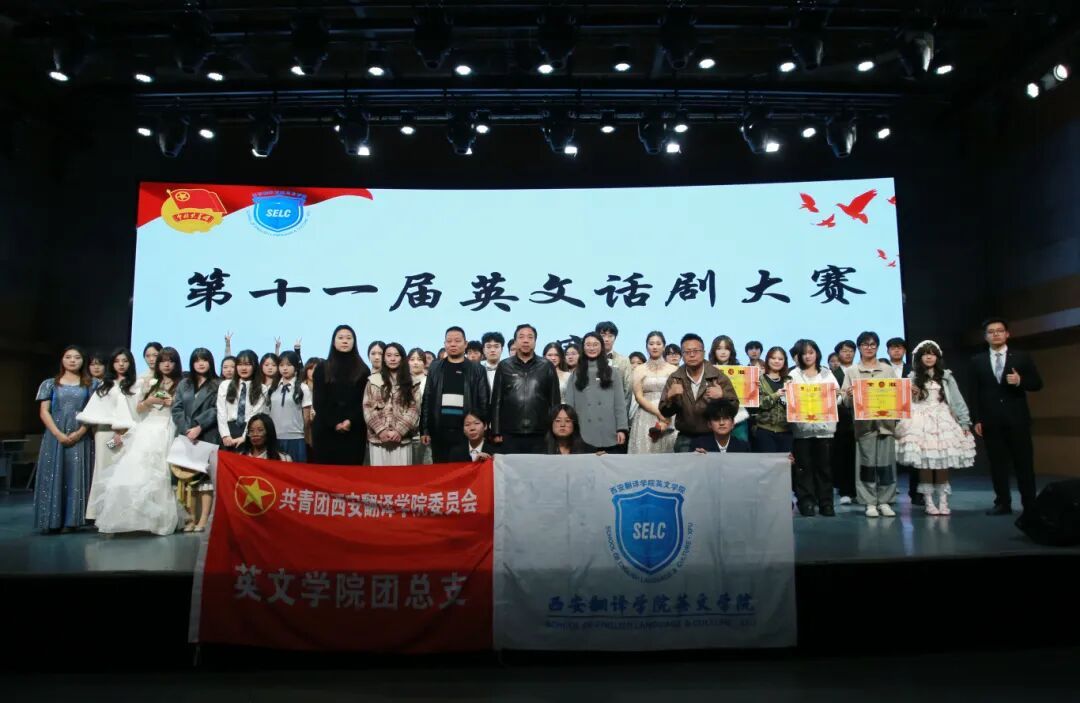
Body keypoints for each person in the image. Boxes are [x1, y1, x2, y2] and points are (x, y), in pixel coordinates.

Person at [90, 347, 183, 536]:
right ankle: (127, 519)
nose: (166, 364)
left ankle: (158, 520)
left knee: (160, 474)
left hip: (167, 427)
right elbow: (139, 409)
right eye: (163, 360)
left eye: (170, 361)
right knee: (132, 470)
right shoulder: (147, 382)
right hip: (144, 429)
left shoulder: (182, 383)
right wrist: (149, 401)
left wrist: (171, 402)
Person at [970, 317, 1043, 516]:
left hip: (1017, 419)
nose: (996, 334)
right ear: (986, 337)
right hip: (991, 421)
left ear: (1007, 334)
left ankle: (1030, 504)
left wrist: (1020, 381)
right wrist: (977, 419)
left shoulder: (1021, 357)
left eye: (999, 330)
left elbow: (1037, 383)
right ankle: (1003, 503)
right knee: (997, 465)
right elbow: (974, 392)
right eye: (991, 332)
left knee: (1024, 464)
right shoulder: (977, 361)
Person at [895, 341, 976, 515]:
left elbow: (957, 399)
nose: (929, 357)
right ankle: (929, 502)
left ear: (937, 357)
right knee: (925, 462)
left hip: (942, 418)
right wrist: (912, 394)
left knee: (942, 462)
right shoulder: (912, 377)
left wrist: (964, 422)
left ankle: (943, 501)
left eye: (932, 354)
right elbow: (904, 403)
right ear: (920, 357)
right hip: (920, 419)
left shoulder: (946, 376)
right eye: (925, 354)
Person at [34, 346, 97, 532]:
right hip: (55, 436)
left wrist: (80, 432)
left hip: (80, 435)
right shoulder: (50, 384)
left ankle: (72, 522)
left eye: (77, 357)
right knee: (54, 473)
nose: (72, 360)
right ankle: (51, 521)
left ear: (83, 361)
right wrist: (58, 434)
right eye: (68, 357)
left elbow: (94, 412)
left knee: (75, 475)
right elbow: (44, 411)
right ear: (62, 360)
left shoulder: (91, 384)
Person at [841, 331, 899, 517]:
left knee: (886, 465)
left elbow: (897, 396)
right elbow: (844, 401)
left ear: (877, 347)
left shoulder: (887, 370)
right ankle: (869, 502)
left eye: (873, 344)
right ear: (859, 347)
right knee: (866, 465)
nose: (869, 348)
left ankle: (885, 501)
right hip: (864, 426)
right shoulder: (852, 371)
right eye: (865, 345)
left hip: (886, 425)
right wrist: (849, 395)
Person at [79, 348, 140, 522]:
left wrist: (124, 432)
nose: (121, 364)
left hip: (129, 435)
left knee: (125, 471)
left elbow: (138, 411)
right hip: (106, 435)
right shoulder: (105, 385)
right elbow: (95, 411)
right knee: (103, 470)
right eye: (117, 361)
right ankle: (99, 514)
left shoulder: (137, 384)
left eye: (125, 361)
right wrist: (113, 431)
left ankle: (123, 515)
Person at [658, 334, 738, 453]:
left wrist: (723, 396)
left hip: (713, 436)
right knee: (684, 465)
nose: (692, 355)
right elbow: (665, 412)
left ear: (703, 353)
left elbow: (734, 408)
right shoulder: (675, 378)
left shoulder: (717, 376)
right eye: (687, 352)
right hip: (685, 436)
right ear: (682, 355)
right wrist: (670, 397)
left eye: (696, 351)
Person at [420, 327, 489, 463]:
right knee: (441, 471)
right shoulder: (435, 367)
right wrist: (425, 430)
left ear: (465, 344)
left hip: (466, 431)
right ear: (444, 344)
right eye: (449, 341)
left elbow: (483, 401)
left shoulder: (477, 369)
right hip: (439, 430)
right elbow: (427, 399)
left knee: (465, 470)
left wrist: (483, 430)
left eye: (457, 341)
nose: (453, 344)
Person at [491, 323, 562, 454]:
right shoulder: (504, 366)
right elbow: (496, 400)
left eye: (530, 337)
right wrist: (496, 430)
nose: (525, 340)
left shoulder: (547, 366)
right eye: (521, 337)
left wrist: (554, 430)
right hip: (510, 432)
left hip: (540, 432)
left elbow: (554, 401)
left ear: (535, 341)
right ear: (515, 341)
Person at [789, 339, 840, 517]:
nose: (808, 356)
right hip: (802, 430)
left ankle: (826, 503)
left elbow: (837, 398)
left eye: (811, 352)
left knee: (824, 468)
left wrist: (836, 396)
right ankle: (806, 502)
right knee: (804, 468)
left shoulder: (826, 373)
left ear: (817, 353)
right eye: (804, 353)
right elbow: (788, 400)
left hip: (824, 430)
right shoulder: (793, 374)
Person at [171, 347, 221, 531]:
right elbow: (176, 408)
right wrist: (186, 429)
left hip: (207, 434)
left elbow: (217, 409)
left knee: (204, 481)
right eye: (197, 360)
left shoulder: (218, 384)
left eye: (204, 360)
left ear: (210, 362)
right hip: (185, 436)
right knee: (185, 479)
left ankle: (203, 520)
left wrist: (199, 426)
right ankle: (190, 518)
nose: (201, 364)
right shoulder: (184, 383)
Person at [311, 325, 371, 465]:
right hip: (326, 430)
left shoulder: (363, 370)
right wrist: (335, 422)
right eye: (341, 338)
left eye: (349, 338)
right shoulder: (322, 368)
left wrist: (350, 421)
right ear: (333, 342)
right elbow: (319, 401)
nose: (345, 341)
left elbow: (363, 401)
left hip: (354, 430)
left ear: (354, 342)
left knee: (351, 474)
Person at [563, 332, 629, 452]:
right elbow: (570, 406)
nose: (591, 348)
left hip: (609, 430)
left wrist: (621, 429)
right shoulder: (575, 374)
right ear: (583, 347)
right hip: (583, 432)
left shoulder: (613, 373)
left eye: (595, 344)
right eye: (588, 345)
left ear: (601, 347)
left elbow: (619, 404)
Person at [364, 342, 421, 466]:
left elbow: (414, 409)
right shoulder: (373, 381)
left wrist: (399, 431)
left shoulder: (413, 382)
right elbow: (367, 407)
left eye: (396, 355)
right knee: (379, 476)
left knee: (402, 476)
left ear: (402, 358)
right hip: (378, 439)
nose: (392, 358)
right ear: (384, 358)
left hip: (402, 439)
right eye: (389, 355)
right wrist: (381, 430)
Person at [629, 331, 678, 454]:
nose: (654, 347)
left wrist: (665, 414)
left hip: (669, 414)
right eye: (651, 344)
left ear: (664, 346)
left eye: (658, 344)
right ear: (646, 346)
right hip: (646, 414)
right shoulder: (639, 369)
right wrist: (658, 413)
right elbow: (638, 396)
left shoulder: (673, 369)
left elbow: (677, 394)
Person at [217, 350, 268, 450]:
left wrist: (244, 437)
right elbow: (221, 412)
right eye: (240, 364)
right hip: (228, 431)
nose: (243, 368)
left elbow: (255, 414)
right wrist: (225, 435)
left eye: (248, 364)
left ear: (255, 366)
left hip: (249, 432)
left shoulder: (262, 388)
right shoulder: (225, 385)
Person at [269, 350, 312, 463]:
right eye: (281, 365)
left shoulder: (303, 388)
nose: (285, 368)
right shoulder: (273, 388)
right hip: (275, 438)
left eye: (288, 365)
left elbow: (306, 418)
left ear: (296, 367)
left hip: (296, 438)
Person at [709, 335, 751, 443]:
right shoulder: (707, 370)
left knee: (741, 449)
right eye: (719, 348)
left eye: (726, 348)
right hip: (715, 418)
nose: (723, 352)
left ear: (731, 351)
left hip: (738, 417)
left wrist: (753, 388)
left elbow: (747, 395)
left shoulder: (741, 370)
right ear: (714, 351)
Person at [831, 340, 858, 505]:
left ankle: (860, 489)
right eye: (844, 351)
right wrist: (841, 395)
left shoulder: (859, 370)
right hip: (842, 419)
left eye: (851, 351)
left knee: (860, 455)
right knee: (843, 455)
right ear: (838, 354)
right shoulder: (832, 374)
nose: (848, 354)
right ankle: (845, 490)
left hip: (861, 417)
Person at [754, 346, 793, 454]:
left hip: (786, 430)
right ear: (767, 359)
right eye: (773, 358)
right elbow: (760, 404)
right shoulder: (759, 380)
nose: (777, 361)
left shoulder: (789, 380)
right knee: (767, 462)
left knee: (785, 463)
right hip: (765, 430)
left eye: (780, 359)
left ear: (784, 361)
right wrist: (776, 395)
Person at [596, 321, 633, 417]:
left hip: (616, 413)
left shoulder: (623, 361)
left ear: (615, 338)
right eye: (603, 335)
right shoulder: (589, 360)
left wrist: (621, 415)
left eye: (610, 336)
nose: (606, 339)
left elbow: (628, 390)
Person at [407, 347, 431, 465]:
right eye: (412, 359)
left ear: (425, 363)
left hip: (424, 431)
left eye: (419, 359)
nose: (415, 362)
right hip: (406, 431)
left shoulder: (429, 381)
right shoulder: (403, 382)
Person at [302, 356, 322, 458]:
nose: (313, 372)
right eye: (310, 368)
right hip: (303, 432)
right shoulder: (300, 388)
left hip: (320, 431)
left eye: (316, 369)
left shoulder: (325, 388)